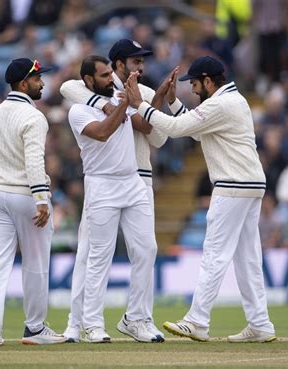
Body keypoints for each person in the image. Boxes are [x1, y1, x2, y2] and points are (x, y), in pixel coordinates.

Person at [125, 55, 276, 343]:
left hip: (233, 185)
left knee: (214, 255)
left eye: (194, 83)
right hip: (249, 184)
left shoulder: (222, 103)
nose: (192, 89)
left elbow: (178, 129)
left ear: (208, 80)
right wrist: (171, 103)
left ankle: (197, 321)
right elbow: (195, 131)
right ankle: (260, 323)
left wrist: (140, 105)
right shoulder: (231, 101)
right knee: (247, 258)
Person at [60, 40, 181, 343]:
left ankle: (137, 319)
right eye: (134, 60)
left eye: (143, 60)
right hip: (101, 183)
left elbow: (154, 134)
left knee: (147, 249)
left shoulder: (135, 93)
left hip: (135, 181)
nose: (140, 65)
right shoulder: (85, 101)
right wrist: (112, 103)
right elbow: (71, 92)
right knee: (95, 255)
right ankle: (84, 324)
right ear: (115, 66)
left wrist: (155, 102)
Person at [0, 58, 66, 346]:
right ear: (23, 83)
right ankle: (35, 328)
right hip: (26, 195)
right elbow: (33, 160)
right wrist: (41, 198)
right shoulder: (33, 116)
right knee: (36, 262)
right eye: (37, 78)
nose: (42, 83)